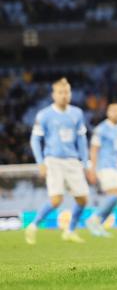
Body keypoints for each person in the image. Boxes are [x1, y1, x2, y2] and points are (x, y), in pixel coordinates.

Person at [25, 78, 91, 244]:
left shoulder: (77, 113)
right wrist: (41, 162)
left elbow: (82, 139)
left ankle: (69, 231)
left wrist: (85, 162)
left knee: (83, 199)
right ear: (54, 95)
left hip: (72, 160)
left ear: (70, 94)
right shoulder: (44, 115)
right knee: (56, 200)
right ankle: (33, 225)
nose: (64, 96)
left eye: (67, 92)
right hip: (53, 160)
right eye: (60, 92)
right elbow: (35, 140)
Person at [85, 102, 117, 237]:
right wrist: (92, 169)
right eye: (114, 111)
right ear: (108, 113)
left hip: (116, 166)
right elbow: (94, 149)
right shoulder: (101, 129)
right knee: (114, 195)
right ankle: (94, 219)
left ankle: (98, 222)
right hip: (104, 166)